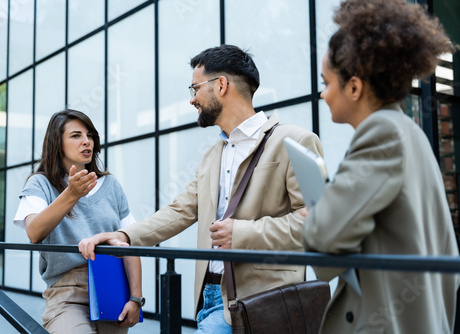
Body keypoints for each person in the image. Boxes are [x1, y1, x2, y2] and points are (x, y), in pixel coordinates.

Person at [79, 44, 323, 333]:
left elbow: (317, 222)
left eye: (195, 88)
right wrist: (124, 235)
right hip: (210, 299)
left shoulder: (295, 141)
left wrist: (243, 233)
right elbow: (180, 211)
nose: (192, 100)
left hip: (265, 301)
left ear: (221, 85)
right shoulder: (212, 156)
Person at [300, 0, 460, 333]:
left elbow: (324, 238)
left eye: (326, 82)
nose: (322, 94)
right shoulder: (406, 131)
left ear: (354, 87)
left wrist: (318, 214)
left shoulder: (381, 133)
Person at [13, 109, 143, 333]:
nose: (87, 142)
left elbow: (129, 243)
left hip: (111, 286)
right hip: (66, 291)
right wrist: (71, 194)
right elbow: (34, 232)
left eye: (90, 135)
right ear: (57, 143)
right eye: (76, 136)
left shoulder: (111, 185)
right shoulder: (40, 184)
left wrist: (136, 299)